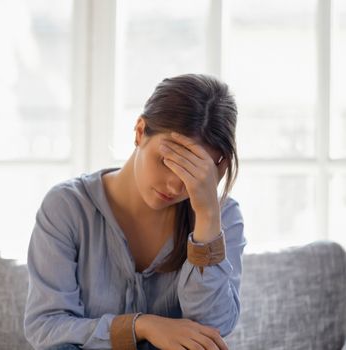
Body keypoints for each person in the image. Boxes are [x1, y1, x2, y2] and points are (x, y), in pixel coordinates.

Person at [24, 74, 247, 350]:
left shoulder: (222, 218)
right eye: (167, 161)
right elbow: (45, 327)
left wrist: (207, 218)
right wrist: (142, 325)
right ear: (140, 131)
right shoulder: (67, 207)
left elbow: (211, 330)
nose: (176, 184)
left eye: (194, 172)